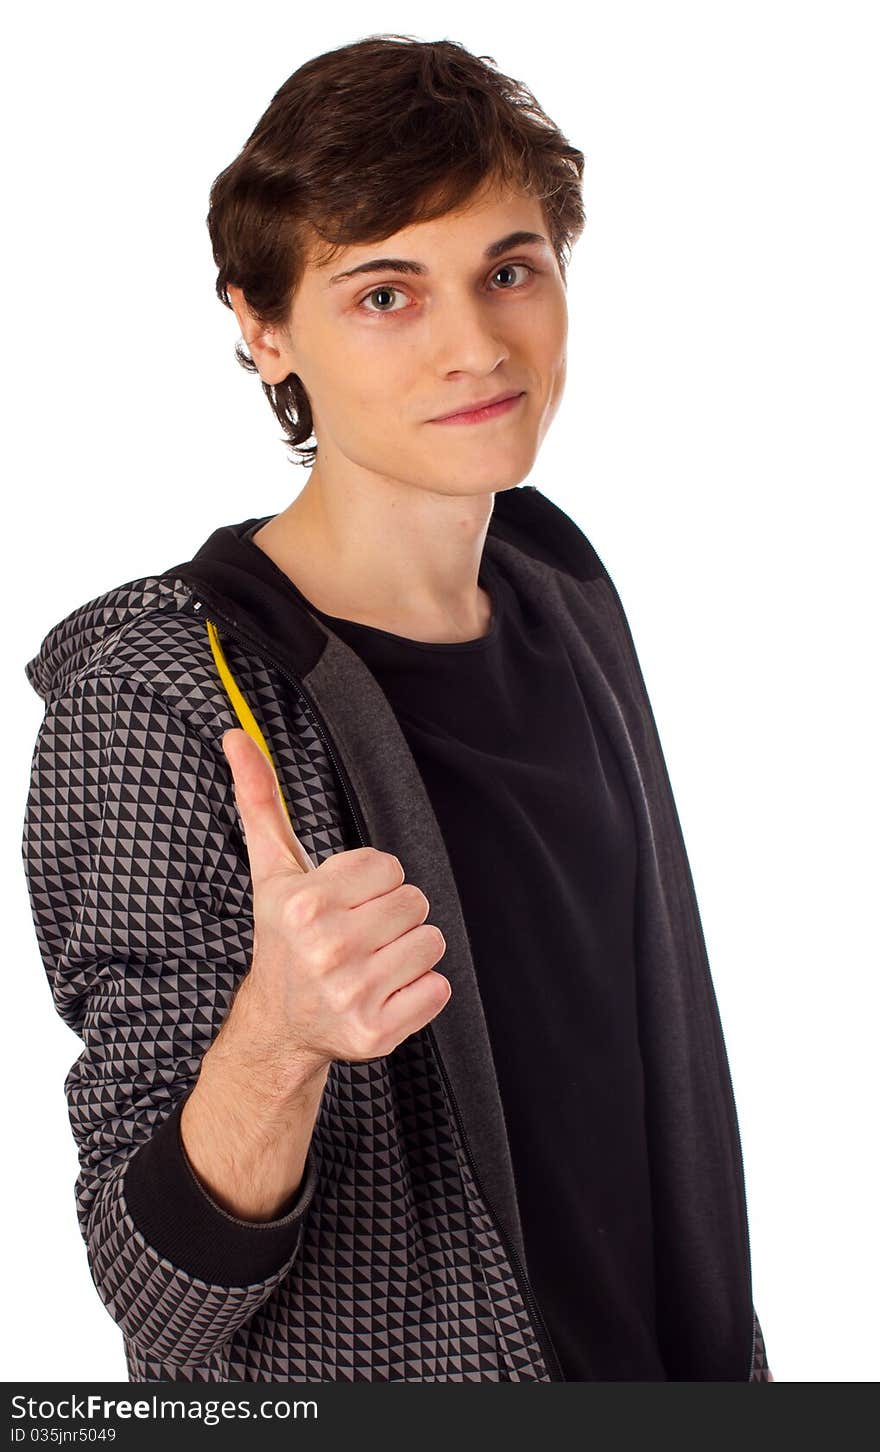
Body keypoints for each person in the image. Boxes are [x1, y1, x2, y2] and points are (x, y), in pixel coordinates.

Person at [21, 34, 772, 1383]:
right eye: (385, 294)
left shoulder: (557, 584)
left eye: (510, 270)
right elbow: (156, 1300)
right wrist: (281, 1035)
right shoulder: (156, 701)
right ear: (263, 328)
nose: (476, 345)